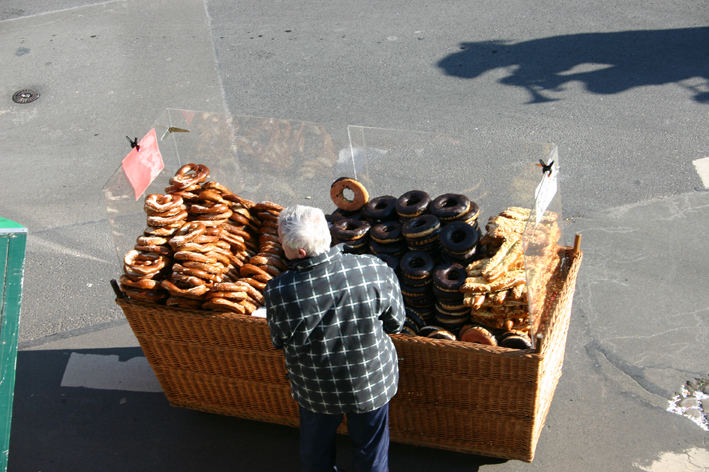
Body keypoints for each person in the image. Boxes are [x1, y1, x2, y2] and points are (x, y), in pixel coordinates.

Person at [264, 205, 405, 472]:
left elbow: (279, 340)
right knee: (371, 453)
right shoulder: (374, 269)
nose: (280, 245)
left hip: (316, 388)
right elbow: (396, 322)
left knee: (316, 451)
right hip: (370, 381)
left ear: (299, 253)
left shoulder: (279, 291)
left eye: (281, 241)